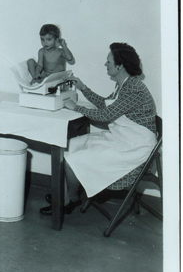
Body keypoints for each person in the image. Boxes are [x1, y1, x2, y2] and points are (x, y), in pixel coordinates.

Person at [39, 43, 157, 215]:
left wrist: (76, 107)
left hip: (135, 147)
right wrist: (82, 88)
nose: (105, 64)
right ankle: (64, 196)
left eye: (108, 61)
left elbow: (105, 116)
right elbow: (105, 104)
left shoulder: (134, 89)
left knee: (73, 158)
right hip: (123, 138)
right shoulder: (124, 84)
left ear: (120, 65)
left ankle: (70, 199)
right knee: (68, 146)